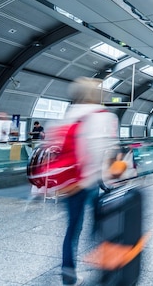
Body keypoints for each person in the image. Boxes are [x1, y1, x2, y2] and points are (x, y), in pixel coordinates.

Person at [49, 77, 119, 286]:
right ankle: (106, 265)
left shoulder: (69, 113)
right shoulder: (102, 116)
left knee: (72, 229)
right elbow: (103, 152)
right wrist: (105, 176)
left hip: (69, 182)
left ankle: (68, 273)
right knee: (101, 225)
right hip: (87, 182)